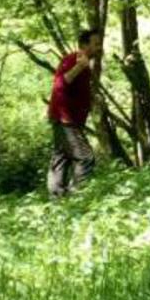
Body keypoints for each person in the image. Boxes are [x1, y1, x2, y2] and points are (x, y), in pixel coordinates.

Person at [47, 29, 103, 197]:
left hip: (67, 119)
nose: (99, 47)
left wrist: (93, 100)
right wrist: (79, 66)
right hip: (65, 120)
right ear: (85, 45)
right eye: (96, 44)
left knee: (61, 159)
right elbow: (60, 84)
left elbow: (76, 90)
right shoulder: (73, 60)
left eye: (100, 44)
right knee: (85, 157)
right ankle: (79, 197)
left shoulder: (84, 66)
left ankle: (57, 200)